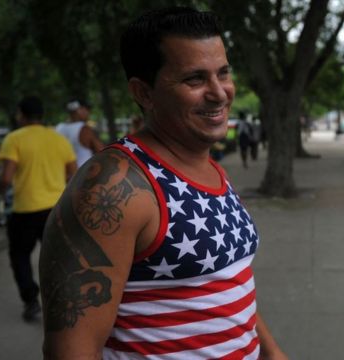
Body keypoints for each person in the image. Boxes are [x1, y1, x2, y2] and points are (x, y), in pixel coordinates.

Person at [39, 7, 288, 360]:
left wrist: (273, 353)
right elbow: (71, 350)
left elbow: (227, 285)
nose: (220, 93)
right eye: (195, 79)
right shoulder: (113, 188)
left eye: (223, 73)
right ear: (143, 92)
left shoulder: (212, 169)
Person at [0, 96, 77, 321]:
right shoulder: (57, 139)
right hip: (56, 210)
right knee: (58, 257)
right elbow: (74, 174)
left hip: (26, 210)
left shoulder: (14, 139)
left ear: (21, 114)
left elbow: (6, 177)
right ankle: (66, 300)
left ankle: (31, 301)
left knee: (20, 256)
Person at [56, 99, 105, 167]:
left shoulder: (59, 128)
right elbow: (102, 151)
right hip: (82, 174)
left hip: (62, 174)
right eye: (87, 109)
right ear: (79, 110)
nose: (88, 113)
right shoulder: (84, 129)